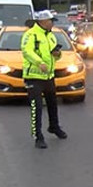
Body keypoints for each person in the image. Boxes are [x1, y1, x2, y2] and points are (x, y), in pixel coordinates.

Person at [21, 10, 68, 148]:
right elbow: (27, 51)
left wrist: (57, 54)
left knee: (53, 104)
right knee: (37, 107)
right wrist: (39, 62)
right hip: (33, 77)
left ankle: (54, 126)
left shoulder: (51, 36)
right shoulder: (30, 35)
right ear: (42, 22)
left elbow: (54, 55)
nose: (52, 23)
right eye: (50, 21)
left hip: (48, 76)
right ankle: (38, 136)